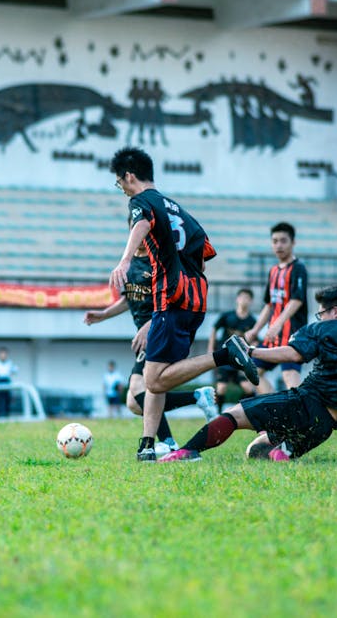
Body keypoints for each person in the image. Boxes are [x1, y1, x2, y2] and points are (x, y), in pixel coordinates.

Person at [108, 146, 259, 461]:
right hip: (195, 298)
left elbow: (141, 224)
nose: (121, 189)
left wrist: (124, 260)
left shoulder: (142, 201)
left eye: (119, 182)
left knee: (153, 379)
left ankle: (225, 355)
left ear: (129, 176)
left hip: (171, 298)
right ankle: (148, 445)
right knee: (158, 377)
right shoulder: (178, 209)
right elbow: (203, 254)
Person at [159, 286, 337, 463]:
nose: (319, 318)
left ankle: (186, 452)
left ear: (335, 311)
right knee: (257, 451)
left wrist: (250, 351)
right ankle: (282, 451)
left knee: (234, 414)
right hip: (325, 426)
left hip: (305, 404)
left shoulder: (321, 328)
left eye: (321, 313)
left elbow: (293, 354)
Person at [85, 241, 219, 452]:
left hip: (160, 330)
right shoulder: (129, 262)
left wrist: (149, 326)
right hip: (145, 334)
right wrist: (103, 314)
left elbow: (171, 300)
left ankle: (168, 441)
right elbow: (129, 298)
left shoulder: (159, 261)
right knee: (134, 403)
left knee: (139, 386)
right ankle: (197, 397)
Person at [244, 222, 308, 394]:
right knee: (252, 372)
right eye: (275, 241)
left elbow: (297, 300)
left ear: (293, 243)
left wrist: (278, 324)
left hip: (292, 335)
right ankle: (274, 406)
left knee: (290, 377)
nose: (279, 245)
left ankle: (302, 409)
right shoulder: (273, 271)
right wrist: (255, 329)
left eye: (283, 241)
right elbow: (269, 304)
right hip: (272, 337)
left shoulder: (298, 268)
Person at [207, 288, 258, 412]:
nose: (244, 300)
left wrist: (253, 351)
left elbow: (255, 340)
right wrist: (211, 347)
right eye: (242, 297)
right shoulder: (227, 316)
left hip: (239, 360)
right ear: (237, 299)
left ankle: (239, 410)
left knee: (248, 388)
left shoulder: (252, 321)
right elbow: (214, 328)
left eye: (247, 298)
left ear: (251, 301)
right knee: (221, 388)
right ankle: (217, 414)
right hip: (225, 357)